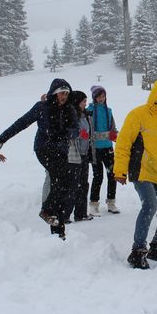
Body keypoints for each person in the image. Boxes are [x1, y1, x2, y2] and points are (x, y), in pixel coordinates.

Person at [0, 78, 78, 238]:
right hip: (44, 148)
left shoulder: (69, 109)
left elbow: (75, 129)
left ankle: (58, 229)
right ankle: (47, 210)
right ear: (54, 93)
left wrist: (69, 133)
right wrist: (1, 139)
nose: (64, 96)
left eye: (66, 93)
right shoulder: (42, 107)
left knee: (65, 182)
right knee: (59, 177)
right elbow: (21, 123)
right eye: (61, 93)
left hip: (61, 150)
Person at [114, 78, 157, 269]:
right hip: (142, 171)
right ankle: (137, 252)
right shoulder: (138, 115)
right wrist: (120, 169)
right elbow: (123, 144)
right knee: (150, 206)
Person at [87, 85, 120, 215]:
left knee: (112, 175)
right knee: (98, 176)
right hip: (95, 150)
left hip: (108, 148)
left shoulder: (109, 111)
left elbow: (113, 127)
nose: (101, 99)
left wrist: (115, 135)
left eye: (103, 96)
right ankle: (94, 204)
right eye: (99, 96)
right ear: (94, 97)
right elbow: (85, 129)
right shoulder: (89, 110)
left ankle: (111, 202)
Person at [69, 90, 95, 222]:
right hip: (73, 156)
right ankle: (65, 215)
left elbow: (91, 134)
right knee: (72, 185)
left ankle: (81, 213)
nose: (86, 103)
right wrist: (79, 134)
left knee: (83, 184)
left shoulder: (86, 115)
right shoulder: (70, 115)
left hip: (84, 155)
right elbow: (67, 132)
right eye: (83, 101)